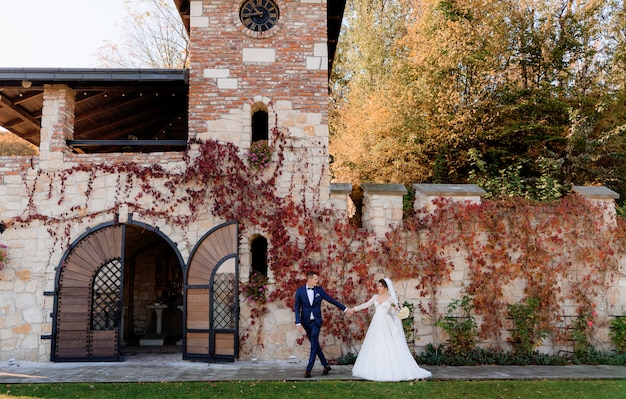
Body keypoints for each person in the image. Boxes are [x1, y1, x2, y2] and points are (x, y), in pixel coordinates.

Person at [348, 278, 432, 382]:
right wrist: (354, 309)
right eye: (378, 286)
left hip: (386, 323)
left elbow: (393, 313)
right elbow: (366, 304)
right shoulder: (375, 297)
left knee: (387, 344)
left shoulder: (391, 299)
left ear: (386, 287)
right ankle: (375, 369)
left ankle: (390, 369)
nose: (378, 288)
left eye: (380, 286)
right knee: (376, 344)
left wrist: (396, 311)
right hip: (376, 323)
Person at [294, 270, 347, 378]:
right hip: (305, 322)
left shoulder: (319, 290)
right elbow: (296, 308)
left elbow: (332, 300)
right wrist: (298, 323)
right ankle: (326, 365)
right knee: (315, 344)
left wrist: (345, 309)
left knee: (314, 343)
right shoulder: (300, 291)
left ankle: (309, 369)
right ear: (309, 279)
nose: (317, 281)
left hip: (316, 322)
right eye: (315, 279)